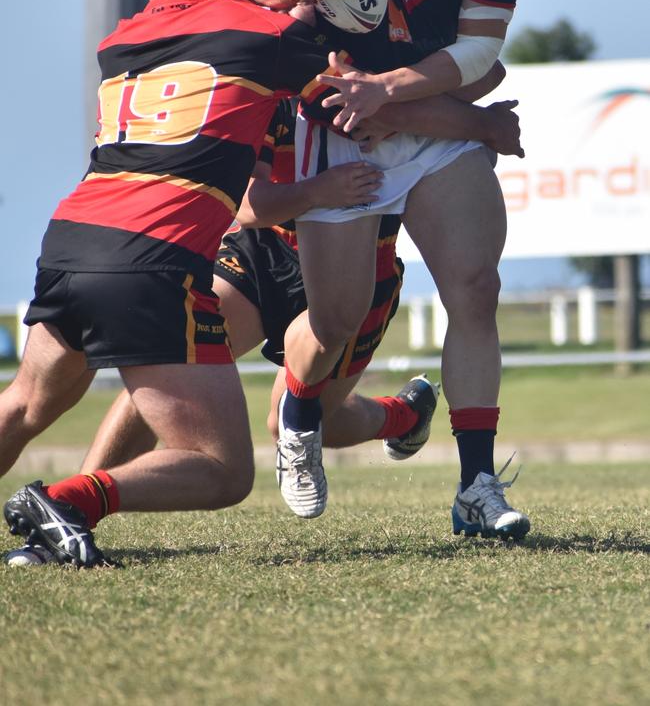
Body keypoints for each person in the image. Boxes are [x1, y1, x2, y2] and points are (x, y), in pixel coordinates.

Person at [5, 81, 524, 565]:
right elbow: (248, 208)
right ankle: (66, 516)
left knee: (290, 421)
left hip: (363, 267)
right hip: (263, 251)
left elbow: (480, 69)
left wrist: (449, 116)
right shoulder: (265, 75)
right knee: (168, 374)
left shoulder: (385, 65)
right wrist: (321, 189)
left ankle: (401, 418)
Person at [0, 0, 344, 568]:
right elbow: (348, 84)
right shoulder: (259, 38)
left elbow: (220, 17)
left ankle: (60, 519)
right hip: (152, 260)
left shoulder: (118, 42)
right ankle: (68, 502)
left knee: (25, 403)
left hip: (72, 239)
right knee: (221, 470)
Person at [249, 0, 530, 539]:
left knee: (475, 288)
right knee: (334, 319)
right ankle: (299, 419)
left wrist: (391, 90)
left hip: (421, 122)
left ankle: (477, 485)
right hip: (332, 122)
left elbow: (479, 54)